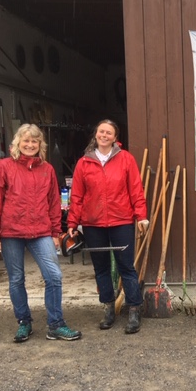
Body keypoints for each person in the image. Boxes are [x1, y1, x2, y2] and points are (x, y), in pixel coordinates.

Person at [0, 124, 82, 343]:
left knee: (54, 276)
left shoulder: (47, 169)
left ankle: (56, 324)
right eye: (26, 141)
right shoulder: (3, 167)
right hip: (11, 232)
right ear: (17, 143)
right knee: (16, 279)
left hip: (41, 231)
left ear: (40, 145)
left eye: (34, 141)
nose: (30, 145)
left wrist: (56, 231)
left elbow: (54, 202)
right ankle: (24, 322)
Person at [67, 119, 148, 334]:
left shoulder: (126, 159)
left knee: (126, 267)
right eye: (101, 131)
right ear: (96, 134)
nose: (104, 135)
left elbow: (136, 189)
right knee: (101, 269)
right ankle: (109, 308)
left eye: (109, 133)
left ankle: (133, 309)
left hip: (121, 220)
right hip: (93, 223)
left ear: (115, 137)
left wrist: (141, 216)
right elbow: (77, 196)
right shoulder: (84, 163)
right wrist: (72, 223)